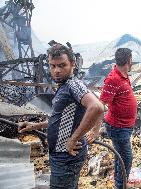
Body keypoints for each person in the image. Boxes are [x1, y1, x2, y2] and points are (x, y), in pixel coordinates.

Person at [18, 44, 104, 189]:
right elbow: (60, 118)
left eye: (62, 65)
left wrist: (74, 138)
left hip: (66, 156)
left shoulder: (73, 85)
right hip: (60, 155)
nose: (56, 71)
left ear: (73, 64)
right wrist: (35, 126)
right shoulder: (64, 86)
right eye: (53, 66)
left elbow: (97, 107)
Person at [100, 48, 137, 189]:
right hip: (118, 127)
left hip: (124, 126)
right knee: (126, 158)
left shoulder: (124, 75)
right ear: (129, 60)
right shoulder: (113, 78)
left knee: (120, 156)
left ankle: (119, 183)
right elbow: (101, 105)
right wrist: (96, 129)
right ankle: (121, 185)